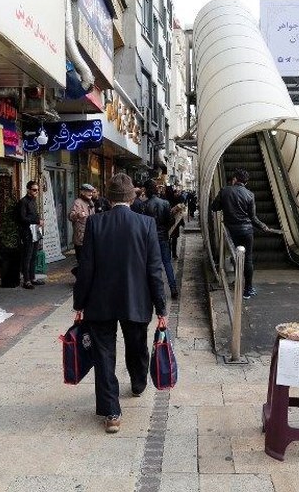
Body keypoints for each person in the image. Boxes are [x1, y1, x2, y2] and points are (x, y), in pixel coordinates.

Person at [73, 173, 167, 434]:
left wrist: (79, 303)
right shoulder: (146, 224)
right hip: (136, 300)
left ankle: (112, 412)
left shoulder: (95, 223)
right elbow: (154, 271)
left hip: (100, 302)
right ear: (132, 197)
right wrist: (161, 308)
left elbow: (86, 268)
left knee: (103, 355)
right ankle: (138, 384)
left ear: (110, 197)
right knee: (137, 346)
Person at [210, 168, 270, 299]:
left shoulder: (225, 191)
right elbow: (253, 218)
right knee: (247, 258)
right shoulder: (250, 195)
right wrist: (263, 226)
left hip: (230, 231)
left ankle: (237, 283)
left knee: (235, 255)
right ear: (246, 182)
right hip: (247, 231)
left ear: (235, 179)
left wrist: (225, 205)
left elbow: (214, 207)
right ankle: (248, 289)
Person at [142, 179, 179, 299]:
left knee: (152, 265)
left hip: (150, 239)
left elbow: (143, 224)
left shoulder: (145, 205)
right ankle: (173, 288)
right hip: (163, 237)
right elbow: (170, 221)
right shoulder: (165, 203)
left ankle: (153, 291)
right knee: (167, 263)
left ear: (146, 190)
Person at [17, 180, 45, 289]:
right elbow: (22, 218)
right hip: (27, 232)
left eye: (37, 190)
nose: (36, 192)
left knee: (34, 255)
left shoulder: (33, 201)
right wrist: (37, 221)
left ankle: (32, 278)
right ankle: (26, 281)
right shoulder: (23, 202)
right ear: (28, 190)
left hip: (34, 231)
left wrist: (39, 221)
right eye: (34, 190)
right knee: (27, 256)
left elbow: (34, 215)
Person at [69, 183, 96, 276]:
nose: (91, 194)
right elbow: (70, 216)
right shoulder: (78, 202)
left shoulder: (90, 203)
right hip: (80, 237)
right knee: (81, 260)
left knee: (88, 260)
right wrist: (78, 215)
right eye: (88, 192)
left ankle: (84, 277)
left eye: (91, 192)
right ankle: (80, 277)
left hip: (90, 236)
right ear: (82, 192)